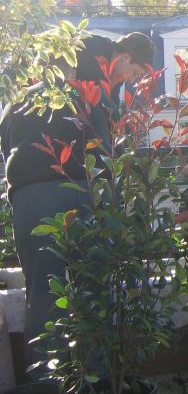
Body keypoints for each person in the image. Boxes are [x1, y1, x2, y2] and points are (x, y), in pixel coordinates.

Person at [0, 31, 154, 380]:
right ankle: (95, 379)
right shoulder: (96, 96)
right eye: (134, 71)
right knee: (94, 289)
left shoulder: (29, 95)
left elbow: (6, 136)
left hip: (33, 195)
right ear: (123, 55)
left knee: (43, 292)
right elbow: (107, 154)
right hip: (84, 194)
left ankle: (45, 383)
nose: (131, 80)